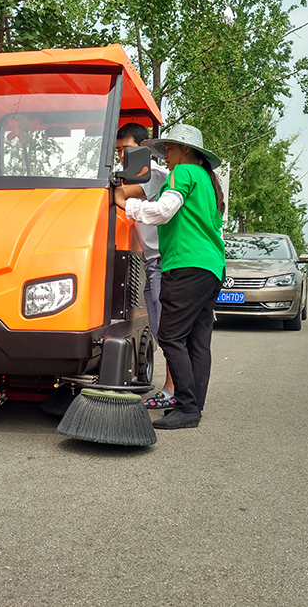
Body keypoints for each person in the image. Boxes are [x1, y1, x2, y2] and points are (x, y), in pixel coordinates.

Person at [114, 123, 225, 429]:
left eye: (171, 149)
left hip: (185, 264)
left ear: (186, 150)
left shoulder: (184, 173)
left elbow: (163, 212)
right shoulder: (206, 179)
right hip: (211, 267)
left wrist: (129, 205)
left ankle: (186, 407)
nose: (167, 156)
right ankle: (193, 407)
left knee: (171, 336)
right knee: (198, 341)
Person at [115, 123, 175, 407]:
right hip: (153, 261)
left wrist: (112, 187)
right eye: (117, 151)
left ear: (142, 150)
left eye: (125, 150)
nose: (120, 156)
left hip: (162, 262)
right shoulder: (138, 176)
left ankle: (172, 391)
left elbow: (121, 197)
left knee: (167, 328)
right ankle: (174, 389)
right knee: (160, 327)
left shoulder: (154, 174)